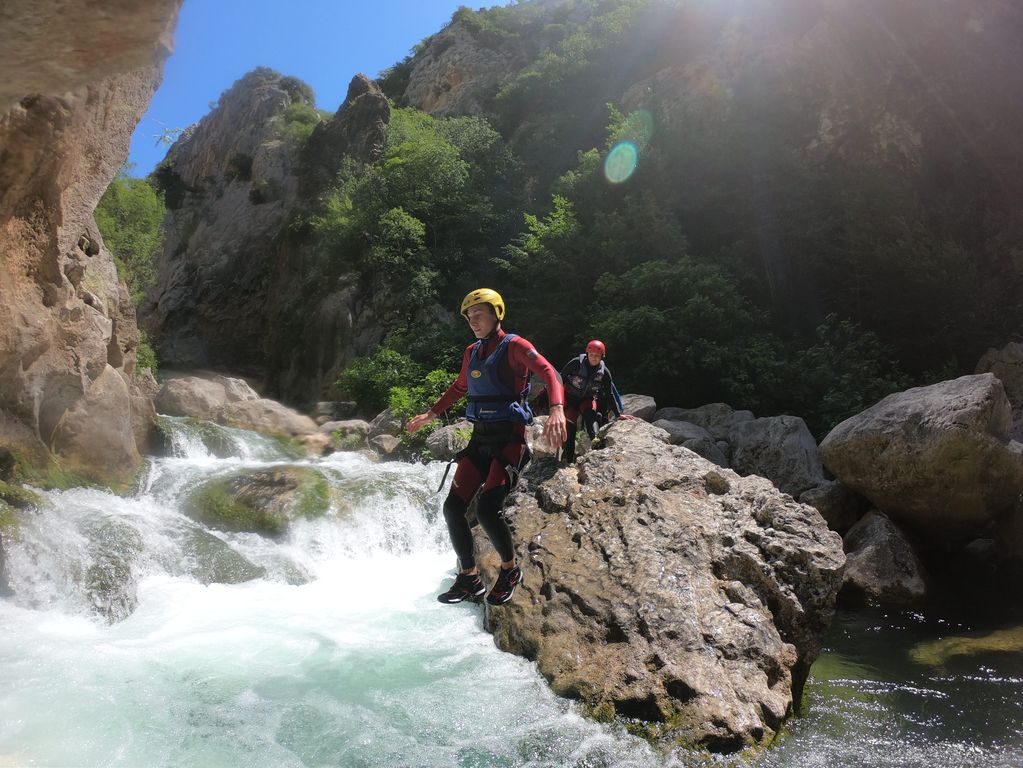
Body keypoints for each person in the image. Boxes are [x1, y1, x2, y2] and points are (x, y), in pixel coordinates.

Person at [407, 288, 567, 606]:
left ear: (497, 313)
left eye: (478, 314)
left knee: (486, 508)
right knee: (453, 508)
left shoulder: (515, 346)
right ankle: (469, 578)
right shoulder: (472, 352)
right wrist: (431, 413)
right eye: (468, 317)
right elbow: (460, 386)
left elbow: (549, 372)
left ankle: (510, 571)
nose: (472, 321)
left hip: (510, 440)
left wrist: (558, 408)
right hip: (480, 439)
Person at [559, 339, 630, 464]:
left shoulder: (604, 372)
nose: (594, 358)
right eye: (591, 355)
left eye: (597, 356)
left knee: (591, 417)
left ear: (602, 356)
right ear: (587, 354)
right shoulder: (576, 363)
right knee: (570, 431)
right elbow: (560, 378)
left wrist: (618, 415)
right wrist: (558, 402)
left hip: (587, 399)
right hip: (570, 399)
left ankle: (597, 448)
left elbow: (610, 394)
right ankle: (568, 462)